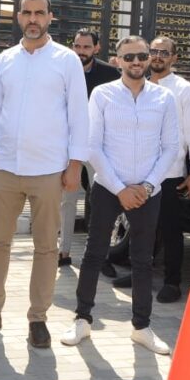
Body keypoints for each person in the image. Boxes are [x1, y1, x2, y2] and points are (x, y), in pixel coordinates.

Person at [0, 0, 88, 348]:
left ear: (50, 17)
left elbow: (79, 116)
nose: (33, 19)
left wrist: (74, 166)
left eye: (39, 13)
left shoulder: (66, 60)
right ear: (18, 17)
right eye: (27, 13)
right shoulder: (6, 60)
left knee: (46, 247)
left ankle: (38, 318)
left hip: (49, 169)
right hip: (4, 166)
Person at [60, 36, 179, 355]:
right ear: (118, 60)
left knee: (143, 260)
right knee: (94, 254)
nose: (136, 61)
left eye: (141, 55)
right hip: (108, 188)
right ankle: (82, 320)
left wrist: (147, 186)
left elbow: (170, 147)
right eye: (129, 57)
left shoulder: (164, 98)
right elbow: (92, 145)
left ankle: (142, 327)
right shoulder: (103, 94)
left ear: (148, 58)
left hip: (147, 191)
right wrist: (120, 189)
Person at [112, 36, 190, 304]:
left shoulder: (185, 90)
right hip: (140, 170)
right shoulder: (137, 85)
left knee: (171, 229)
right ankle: (138, 274)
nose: (157, 56)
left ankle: (172, 282)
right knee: (141, 228)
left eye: (164, 52)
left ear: (174, 58)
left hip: (170, 173)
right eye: (153, 51)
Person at [60, 28, 120, 271]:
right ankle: (63, 252)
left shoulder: (111, 74)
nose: (81, 51)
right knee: (66, 200)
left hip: (98, 147)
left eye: (86, 47)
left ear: (97, 48)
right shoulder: (63, 69)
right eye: (77, 46)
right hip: (67, 145)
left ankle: (99, 256)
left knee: (101, 201)